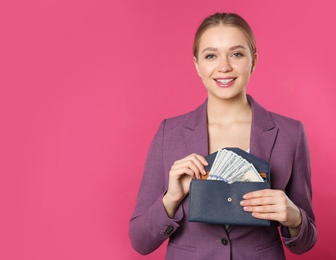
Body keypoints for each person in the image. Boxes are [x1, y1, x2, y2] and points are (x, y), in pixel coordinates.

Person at [129, 12, 317, 259]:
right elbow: (140, 241)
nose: (224, 66)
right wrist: (172, 198)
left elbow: (305, 243)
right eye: (211, 55)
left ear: (254, 60)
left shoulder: (290, 133)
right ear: (197, 64)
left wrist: (294, 216)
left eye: (237, 54)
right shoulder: (169, 133)